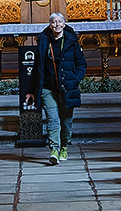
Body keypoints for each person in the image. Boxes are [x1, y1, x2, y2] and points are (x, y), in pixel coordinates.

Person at [28, 11, 87, 164]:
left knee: (66, 121)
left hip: (67, 88)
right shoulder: (43, 42)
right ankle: (54, 149)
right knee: (53, 120)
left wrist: (75, 79)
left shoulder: (72, 41)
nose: (57, 25)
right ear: (50, 25)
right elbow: (37, 68)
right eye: (54, 22)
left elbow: (82, 64)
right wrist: (30, 90)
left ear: (64, 24)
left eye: (60, 21)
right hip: (47, 88)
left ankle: (64, 146)